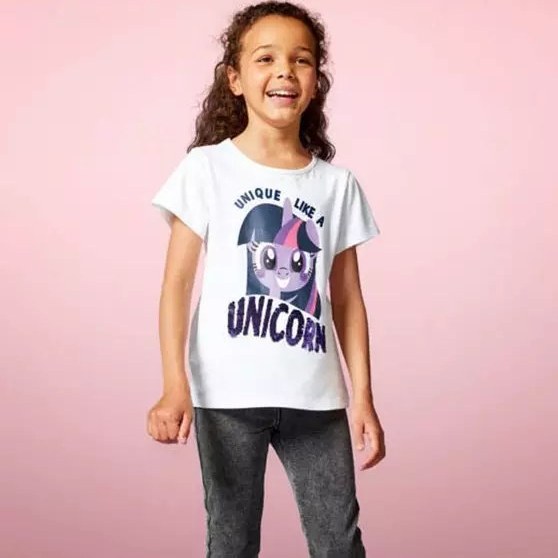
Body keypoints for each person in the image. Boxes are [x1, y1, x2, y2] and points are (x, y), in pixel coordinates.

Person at [147, 1, 386, 556]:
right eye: (265, 58)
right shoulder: (206, 169)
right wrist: (174, 384)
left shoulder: (336, 185)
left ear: (316, 81)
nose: (285, 71)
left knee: (339, 542)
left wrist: (363, 398)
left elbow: (347, 299)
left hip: (317, 397)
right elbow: (176, 286)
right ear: (234, 79)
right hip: (225, 395)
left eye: (301, 60)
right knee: (231, 542)